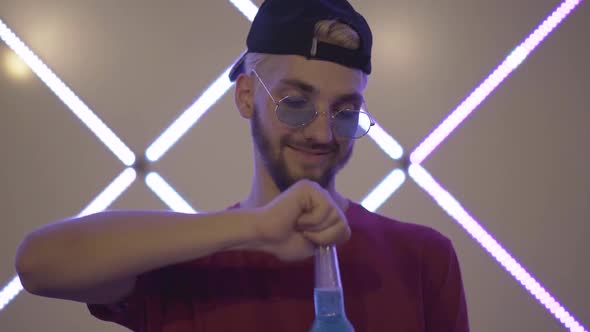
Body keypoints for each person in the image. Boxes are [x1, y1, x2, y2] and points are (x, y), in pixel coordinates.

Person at [14, 0, 469, 331]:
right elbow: (37, 264)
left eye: (345, 113)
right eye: (295, 104)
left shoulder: (422, 257)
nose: (322, 134)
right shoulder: (187, 262)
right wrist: (253, 229)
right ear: (247, 96)